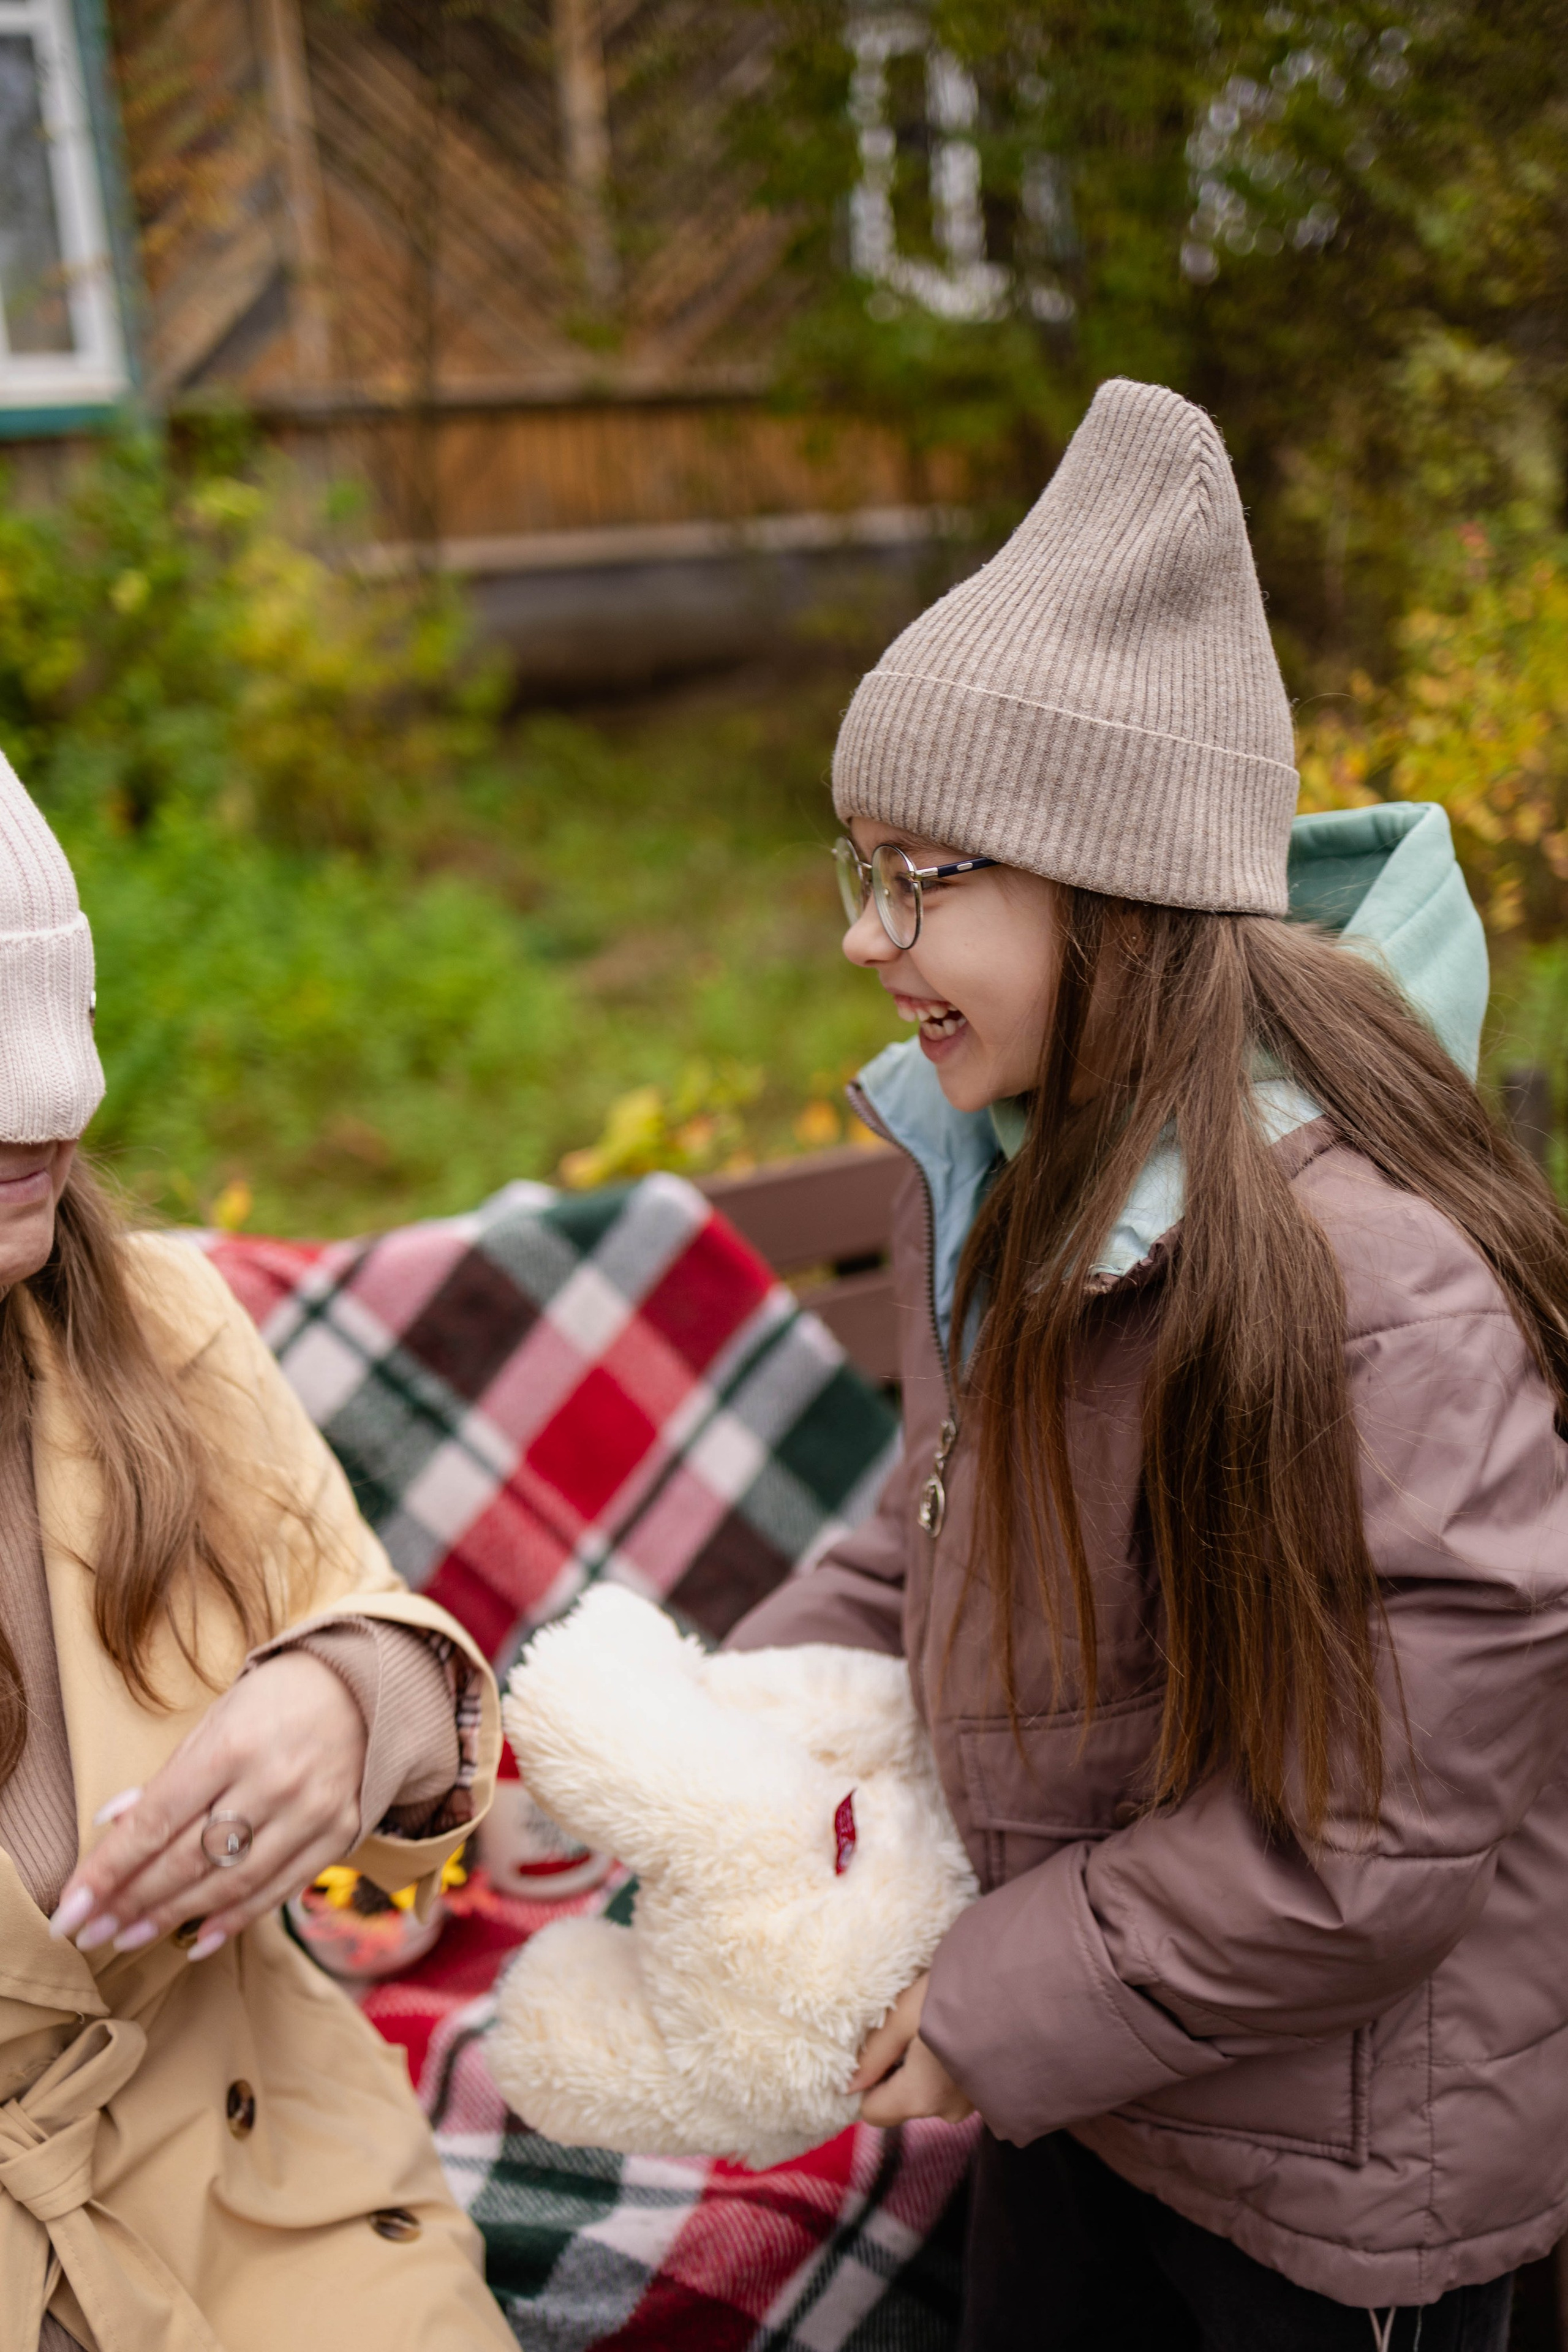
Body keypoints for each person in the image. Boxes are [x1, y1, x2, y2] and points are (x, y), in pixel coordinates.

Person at [729, 377, 1568, 2351]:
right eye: (858, 868)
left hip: (1328, 2178)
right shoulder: (1024, 1178)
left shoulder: (1376, 1294)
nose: (865, 936)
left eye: (922, 874)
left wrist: (981, 2006)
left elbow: (1360, 1844)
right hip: (1097, 2078)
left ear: (1114, 890)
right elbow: (940, 1539)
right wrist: (707, 1738)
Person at [0, 752, 513, 2346]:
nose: (44, 1125)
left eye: (54, 1035)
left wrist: (354, 1697)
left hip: (271, 2199)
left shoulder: (159, 1324)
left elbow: (398, 1656)